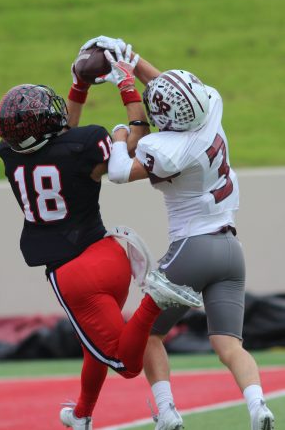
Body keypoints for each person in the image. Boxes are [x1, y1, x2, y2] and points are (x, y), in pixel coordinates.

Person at [0, 39, 203, 430]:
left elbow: (57, 141)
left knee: (124, 361)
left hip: (72, 274)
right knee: (96, 345)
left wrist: (80, 88)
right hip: (111, 254)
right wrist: (124, 90)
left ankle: (155, 300)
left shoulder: (10, 156)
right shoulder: (86, 143)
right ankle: (83, 414)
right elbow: (136, 142)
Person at [85, 36, 275, 430]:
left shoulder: (166, 149)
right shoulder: (211, 109)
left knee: (148, 334)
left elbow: (119, 172)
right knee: (229, 345)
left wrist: (121, 135)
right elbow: (171, 89)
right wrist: (132, 61)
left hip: (192, 247)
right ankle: (258, 407)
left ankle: (167, 413)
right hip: (230, 249)